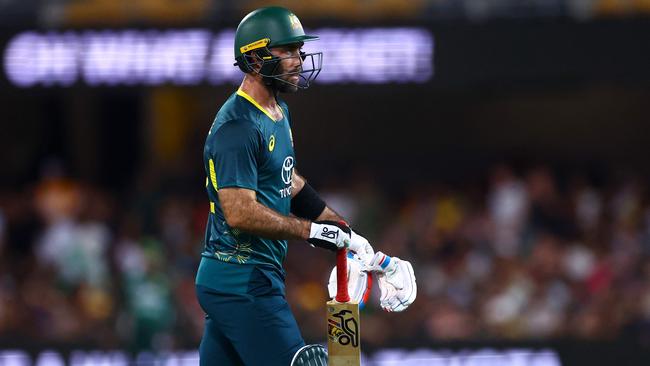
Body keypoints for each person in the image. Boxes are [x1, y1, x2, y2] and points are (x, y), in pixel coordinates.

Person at [195, 6, 415, 365]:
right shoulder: (237, 125)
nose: (299, 59)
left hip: (244, 278)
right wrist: (312, 232)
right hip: (241, 279)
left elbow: (287, 180)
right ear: (254, 60)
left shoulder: (278, 112)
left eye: (299, 50)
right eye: (288, 51)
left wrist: (345, 232)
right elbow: (237, 211)